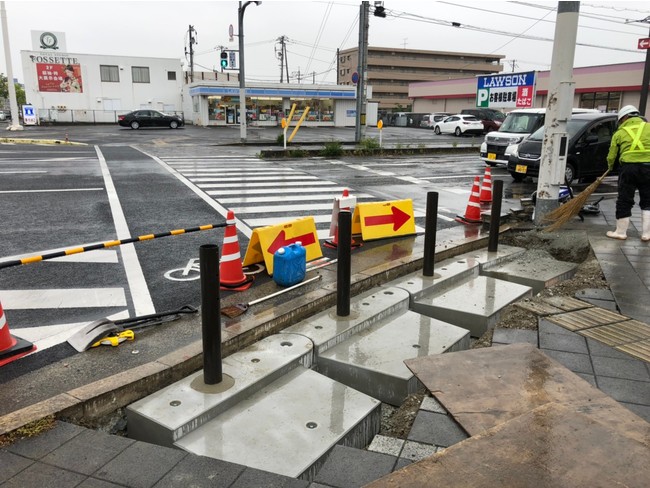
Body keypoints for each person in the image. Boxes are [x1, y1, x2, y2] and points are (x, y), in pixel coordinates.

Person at [606, 105, 650, 241]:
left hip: (628, 168)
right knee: (648, 200)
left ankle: (620, 232)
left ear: (624, 118)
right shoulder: (648, 128)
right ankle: (646, 234)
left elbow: (612, 154)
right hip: (648, 167)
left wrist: (610, 166)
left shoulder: (620, 133)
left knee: (625, 199)